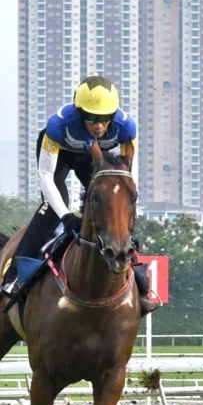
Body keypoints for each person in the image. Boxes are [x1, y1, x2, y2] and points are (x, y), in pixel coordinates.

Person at [1, 76, 160, 314]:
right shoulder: (59, 125)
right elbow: (45, 175)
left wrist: (124, 198)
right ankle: (13, 275)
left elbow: (127, 173)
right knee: (53, 209)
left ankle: (140, 282)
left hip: (92, 156)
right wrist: (66, 216)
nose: (99, 125)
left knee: (112, 206)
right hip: (60, 155)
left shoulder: (127, 127)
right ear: (79, 112)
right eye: (92, 118)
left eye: (105, 119)